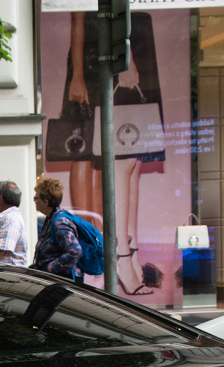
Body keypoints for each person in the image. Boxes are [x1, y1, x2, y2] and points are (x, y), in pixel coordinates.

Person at [63, 10, 162, 293]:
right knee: (111, 154)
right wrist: (122, 61)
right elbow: (78, 16)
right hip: (106, 52)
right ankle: (116, 255)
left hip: (132, 38)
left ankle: (127, 249)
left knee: (134, 153)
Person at [30, 177, 82, 278]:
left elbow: (75, 251)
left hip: (61, 281)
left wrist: (49, 268)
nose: (34, 201)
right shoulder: (50, 218)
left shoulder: (60, 222)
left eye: (36, 198)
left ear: (46, 202)